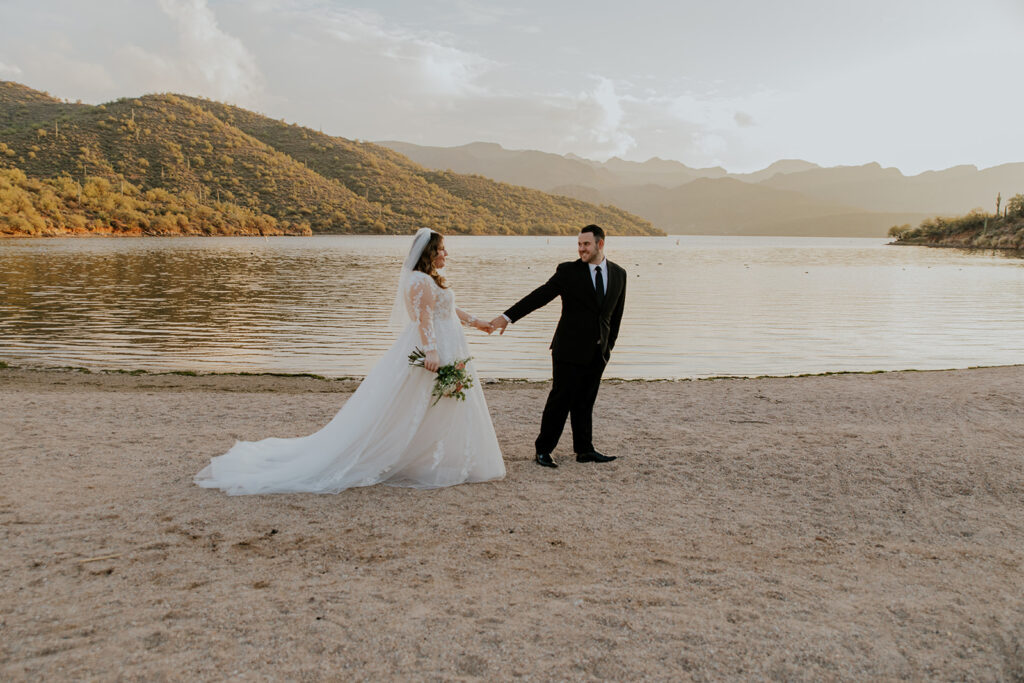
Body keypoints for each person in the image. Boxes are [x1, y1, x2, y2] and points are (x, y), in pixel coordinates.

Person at [195, 228, 505, 494]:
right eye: (441, 249)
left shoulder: (430, 278)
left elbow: (448, 310)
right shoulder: (419, 282)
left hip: (448, 342)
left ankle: (440, 455)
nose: (446, 253)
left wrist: (478, 322)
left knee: (438, 402)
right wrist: (432, 352)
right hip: (434, 346)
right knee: (419, 401)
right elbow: (424, 318)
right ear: (428, 251)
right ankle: (422, 458)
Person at [490, 224, 626, 468]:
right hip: (568, 349)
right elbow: (540, 296)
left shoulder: (619, 274)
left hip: (598, 351)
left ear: (600, 244)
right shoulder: (568, 271)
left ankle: (584, 449)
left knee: (586, 401)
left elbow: (615, 317)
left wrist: (608, 347)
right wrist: (507, 317)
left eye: (586, 244)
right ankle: (543, 450)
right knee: (560, 400)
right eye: (579, 244)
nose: (581, 249)